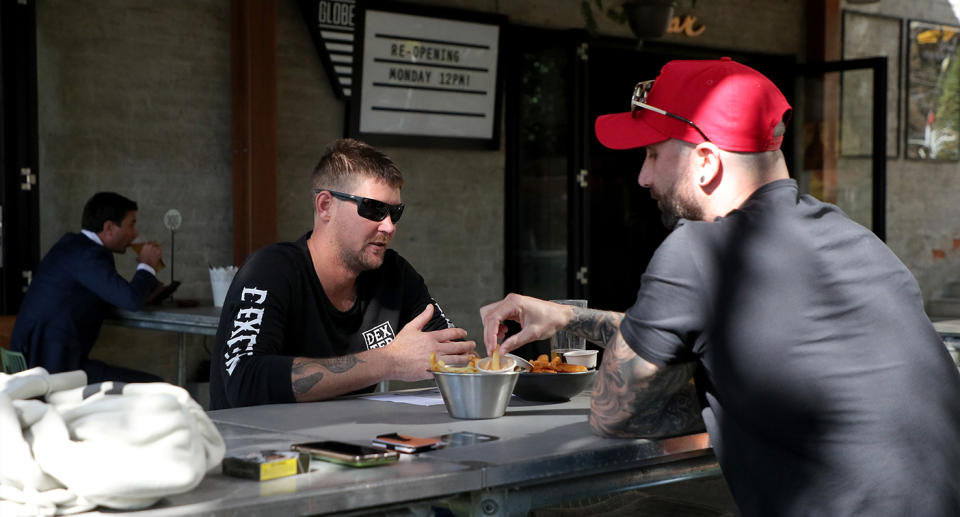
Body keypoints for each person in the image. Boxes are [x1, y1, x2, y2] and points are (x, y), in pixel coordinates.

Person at [480, 58, 960, 516]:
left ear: (706, 162)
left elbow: (616, 413)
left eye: (652, 154)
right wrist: (568, 317)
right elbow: (718, 346)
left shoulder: (701, 249)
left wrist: (717, 393)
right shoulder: (858, 241)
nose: (643, 176)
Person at [209, 138, 475, 409]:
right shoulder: (269, 271)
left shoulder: (394, 274)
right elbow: (244, 381)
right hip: (260, 446)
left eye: (395, 213)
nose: (389, 226)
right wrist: (388, 361)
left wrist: (496, 356)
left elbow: (457, 355)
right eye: (373, 209)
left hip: (350, 444)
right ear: (325, 205)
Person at [11, 192, 165, 383]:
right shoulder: (87, 254)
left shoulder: (72, 245)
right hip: (53, 372)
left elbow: (110, 295)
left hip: (40, 365)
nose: (135, 234)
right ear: (109, 227)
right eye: (131, 224)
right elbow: (130, 300)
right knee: (157, 387)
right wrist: (147, 264)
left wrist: (146, 290)